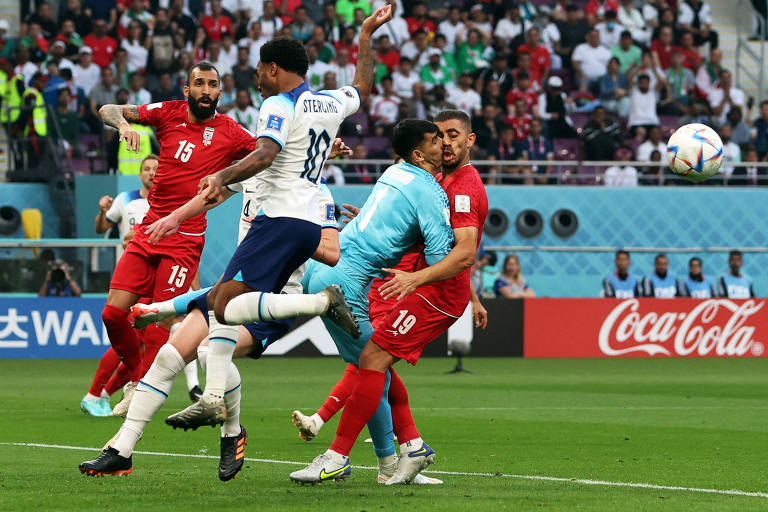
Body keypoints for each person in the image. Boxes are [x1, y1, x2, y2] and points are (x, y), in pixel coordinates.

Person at [142, 6, 394, 435]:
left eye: (259, 69)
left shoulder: (278, 103)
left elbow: (265, 155)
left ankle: (318, 305)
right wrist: (366, 35)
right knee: (224, 302)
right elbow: (363, 86)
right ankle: (215, 400)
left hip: (278, 218)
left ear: (274, 69)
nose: (255, 77)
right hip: (305, 221)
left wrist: (221, 173)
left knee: (224, 303)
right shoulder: (330, 99)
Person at [92, 60, 263, 421]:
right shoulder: (167, 113)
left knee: (155, 320)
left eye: (212, 84)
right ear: (187, 90)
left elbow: (268, 155)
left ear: (220, 91)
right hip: (149, 230)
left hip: (185, 238)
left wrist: (323, 153)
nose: (205, 90)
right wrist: (124, 125)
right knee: (112, 314)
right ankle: (137, 375)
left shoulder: (231, 131)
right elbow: (107, 109)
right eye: (198, 83)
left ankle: (138, 386)